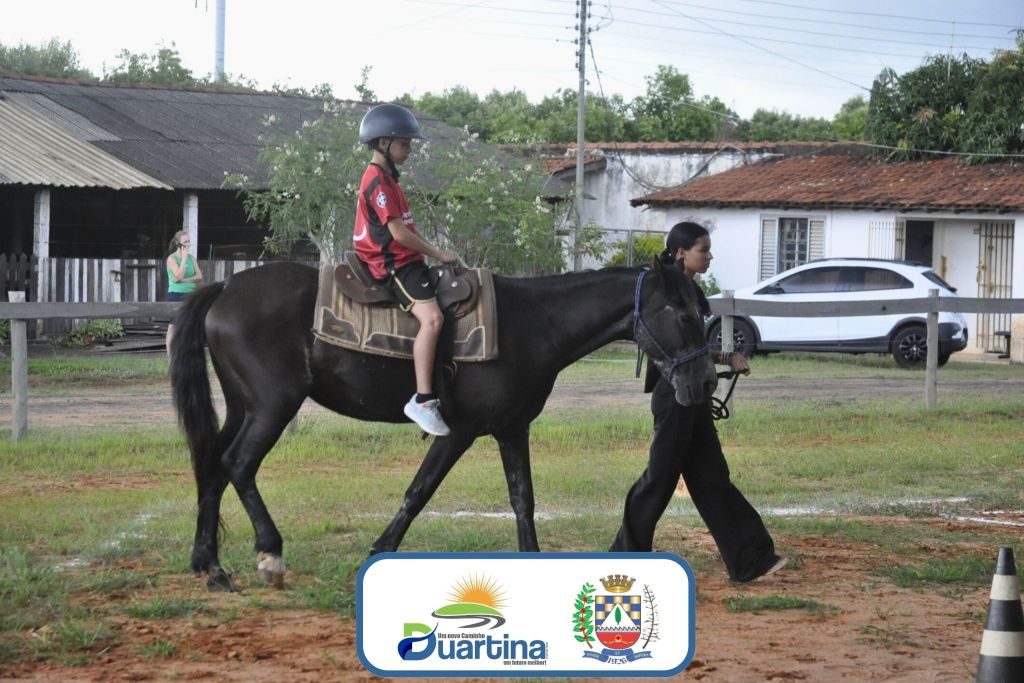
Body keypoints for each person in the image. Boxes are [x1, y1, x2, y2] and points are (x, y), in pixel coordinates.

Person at [610, 221, 788, 582]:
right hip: (674, 394)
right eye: (702, 250)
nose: (709, 256)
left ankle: (752, 560)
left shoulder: (689, 289)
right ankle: (623, 558)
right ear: (680, 252)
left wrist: (726, 357)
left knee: (711, 478)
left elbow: (694, 348)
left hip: (694, 394)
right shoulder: (665, 292)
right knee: (659, 481)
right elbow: (667, 346)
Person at [353, 103, 458, 437]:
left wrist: (433, 253)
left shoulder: (389, 180)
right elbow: (398, 235)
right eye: (404, 144)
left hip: (407, 259)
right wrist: (437, 252)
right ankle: (423, 400)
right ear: (384, 143)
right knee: (433, 319)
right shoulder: (376, 181)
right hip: (392, 265)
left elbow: (409, 229)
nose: (409, 150)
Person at [165, 230, 203, 357]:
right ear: (178, 244)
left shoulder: (192, 258)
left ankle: (187, 354)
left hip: (191, 294)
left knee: (190, 324)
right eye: (185, 242)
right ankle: (171, 357)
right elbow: (177, 277)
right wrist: (184, 258)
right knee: (173, 326)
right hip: (176, 294)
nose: (188, 244)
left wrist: (186, 279)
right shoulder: (172, 259)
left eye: (189, 242)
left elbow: (199, 276)